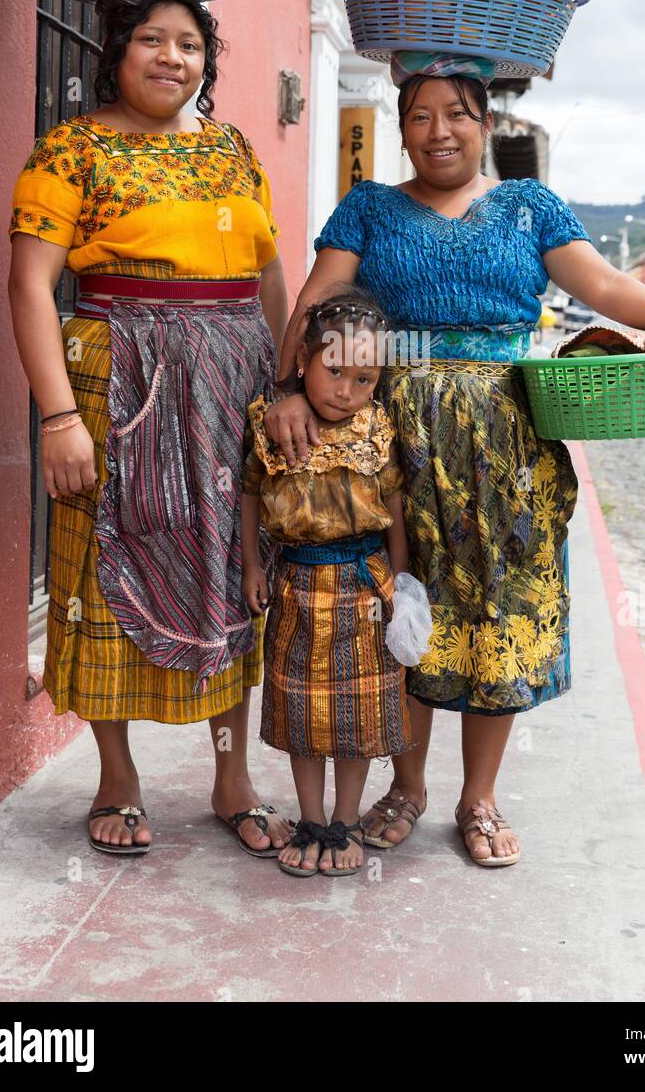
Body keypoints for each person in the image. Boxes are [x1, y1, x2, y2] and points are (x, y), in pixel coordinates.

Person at [264, 52, 645, 869]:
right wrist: (286, 388)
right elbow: (315, 300)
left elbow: (599, 284)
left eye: (457, 113)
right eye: (418, 116)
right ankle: (405, 788)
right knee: (405, 608)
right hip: (396, 440)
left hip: (509, 441)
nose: (437, 131)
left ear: (486, 124)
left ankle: (477, 796)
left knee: (500, 607)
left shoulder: (527, 206)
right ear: (402, 128)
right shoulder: (369, 208)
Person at [8, 0, 293, 858]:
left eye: (191, 45)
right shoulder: (73, 151)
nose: (174, 58)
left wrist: (287, 387)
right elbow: (27, 283)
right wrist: (58, 417)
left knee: (237, 570)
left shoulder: (236, 150)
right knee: (103, 570)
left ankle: (231, 777)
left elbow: (270, 274)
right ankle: (118, 779)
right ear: (116, 53)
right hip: (116, 379)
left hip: (233, 384)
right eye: (152, 40)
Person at [241, 288, 411, 877]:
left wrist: (404, 585)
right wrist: (253, 566)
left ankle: (343, 823)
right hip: (294, 585)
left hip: (365, 588)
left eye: (364, 379)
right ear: (305, 360)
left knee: (356, 717)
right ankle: (310, 819)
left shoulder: (380, 428)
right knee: (301, 713)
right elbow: (248, 494)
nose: (346, 390)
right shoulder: (272, 422)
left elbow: (394, 504)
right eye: (334, 370)